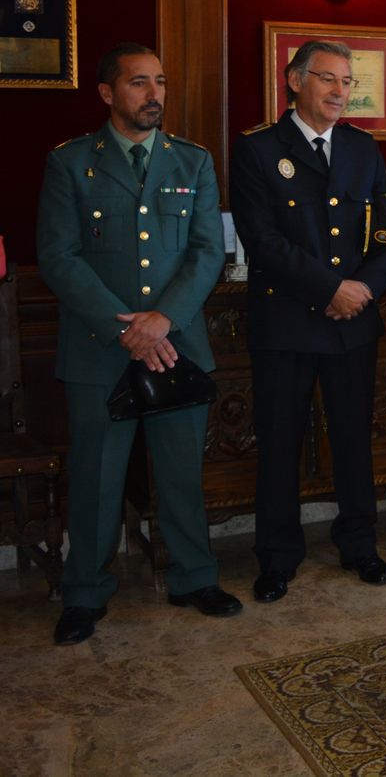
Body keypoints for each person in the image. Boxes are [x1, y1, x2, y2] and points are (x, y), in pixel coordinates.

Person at [37, 42, 242, 644]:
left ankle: (194, 577)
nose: (154, 94)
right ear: (107, 93)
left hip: (176, 344)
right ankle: (84, 592)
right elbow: (58, 257)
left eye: (160, 82)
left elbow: (208, 252)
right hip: (100, 350)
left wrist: (163, 320)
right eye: (138, 83)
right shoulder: (71, 163)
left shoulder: (193, 162)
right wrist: (128, 327)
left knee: (181, 471)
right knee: (96, 475)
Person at [231, 40, 386, 603]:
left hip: (353, 324)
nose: (339, 92)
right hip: (286, 323)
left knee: (355, 439)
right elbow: (263, 239)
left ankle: (360, 544)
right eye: (327, 79)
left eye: (347, 82)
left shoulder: (360, 148)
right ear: (294, 80)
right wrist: (332, 287)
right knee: (279, 442)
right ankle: (277, 557)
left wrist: (363, 290)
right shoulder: (259, 149)